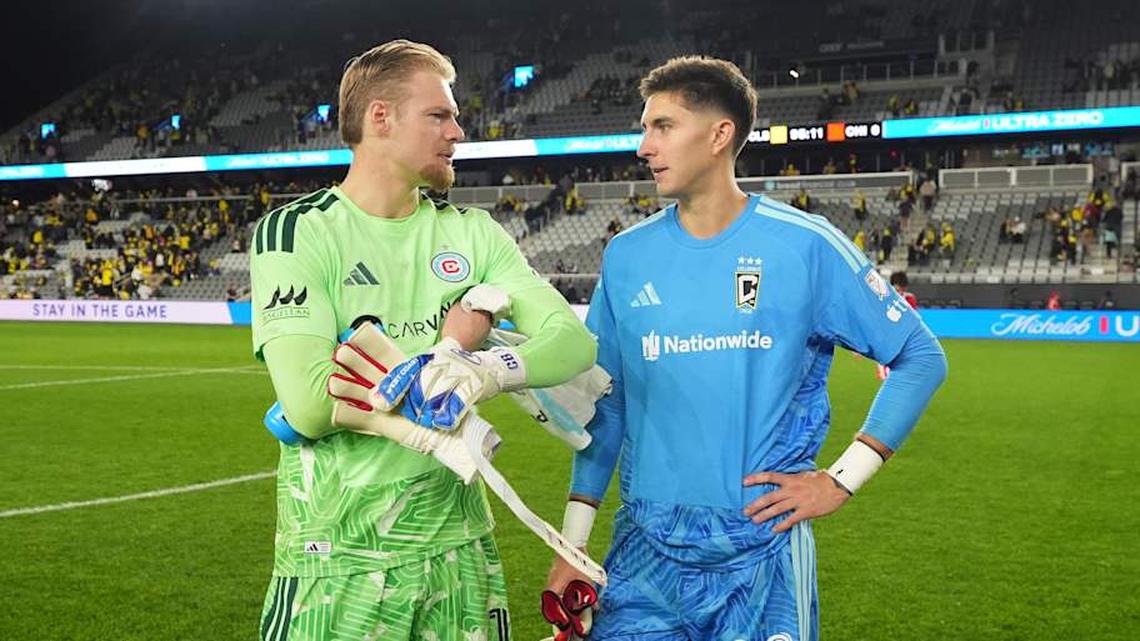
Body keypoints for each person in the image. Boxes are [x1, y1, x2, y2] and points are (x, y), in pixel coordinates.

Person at [545, 55, 947, 641]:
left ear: (719, 135)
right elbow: (607, 408)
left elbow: (920, 357)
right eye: (645, 128)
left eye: (663, 126)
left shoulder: (803, 246)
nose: (644, 146)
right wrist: (572, 545)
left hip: (763, 550)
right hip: (645, 555)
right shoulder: (626, 257)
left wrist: (841, 479)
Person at [249, 39, 596, 641]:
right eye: (439, 115)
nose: (457, 132)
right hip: (337, 561)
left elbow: (572, 343)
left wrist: (482, 371)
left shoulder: (473, 233)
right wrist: (446, 353)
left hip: (461, 553)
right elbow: (307, 405)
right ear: (380, 117)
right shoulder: (298, 231)